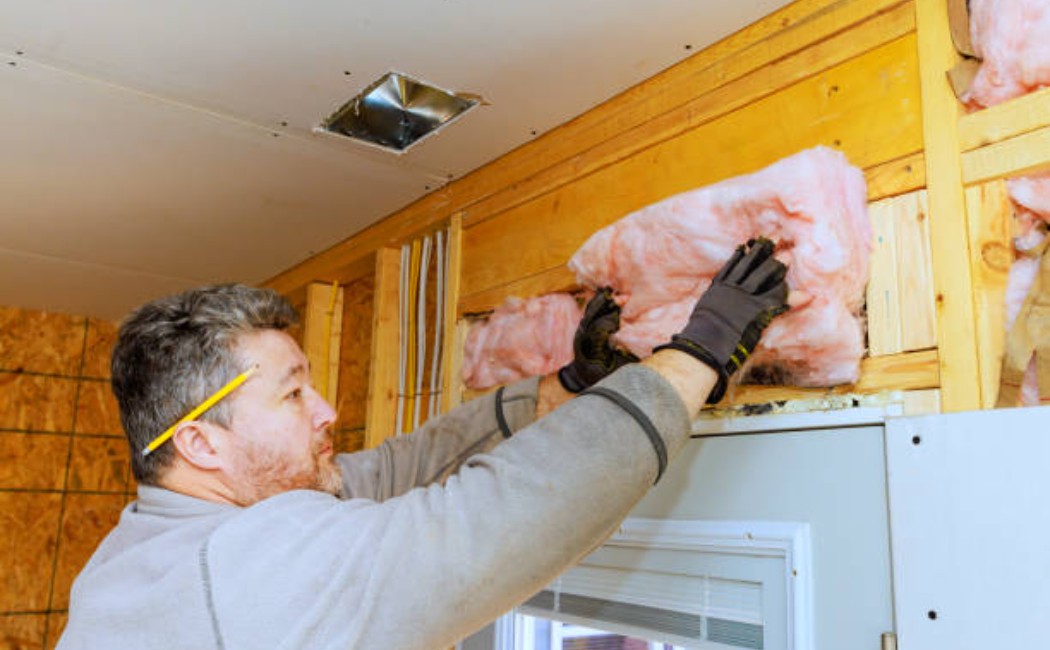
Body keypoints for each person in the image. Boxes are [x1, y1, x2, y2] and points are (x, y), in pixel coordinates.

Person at [57, 238, 788, 650]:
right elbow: (492, 520)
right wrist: (701, 352)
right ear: (202, 443)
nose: (327, 410)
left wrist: (560, 388)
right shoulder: (246, 568)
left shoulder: (138, 556)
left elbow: (385, 474)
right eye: (292, 392)